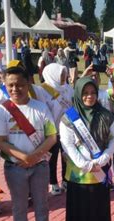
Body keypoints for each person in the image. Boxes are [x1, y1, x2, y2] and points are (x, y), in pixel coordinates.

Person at [0, 64, 57, 221]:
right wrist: (23, 157)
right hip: (15, 167)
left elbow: (52, 136)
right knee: (19, 205)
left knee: (41, 202)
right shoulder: (2, 111)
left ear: (28, 83)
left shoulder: (40, 107)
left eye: (19, 84)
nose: (15, 89)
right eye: (10, 85)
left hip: (40, 165)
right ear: (5, 85)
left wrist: (34, 157)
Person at [60, 77, 114, 221]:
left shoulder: (106, 115)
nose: (89, 97)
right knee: (82, 203)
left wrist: (104, 158)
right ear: (78, 94)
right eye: (85, 93)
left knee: (100, 202)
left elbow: (113, 139)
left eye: (93, 93)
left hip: (101, 168)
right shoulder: (69, 117)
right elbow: (67, 144)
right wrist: (85, 164)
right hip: (79, 171)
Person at [42, 63, 73, 196]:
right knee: (52, 158)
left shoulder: (67, 88)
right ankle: (53, 183)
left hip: (67, 129)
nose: (63, 77)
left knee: (67, 156)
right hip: (52, 131)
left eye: (64, 74)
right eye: (60, 74)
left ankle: (66, 181)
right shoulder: (43, 90)